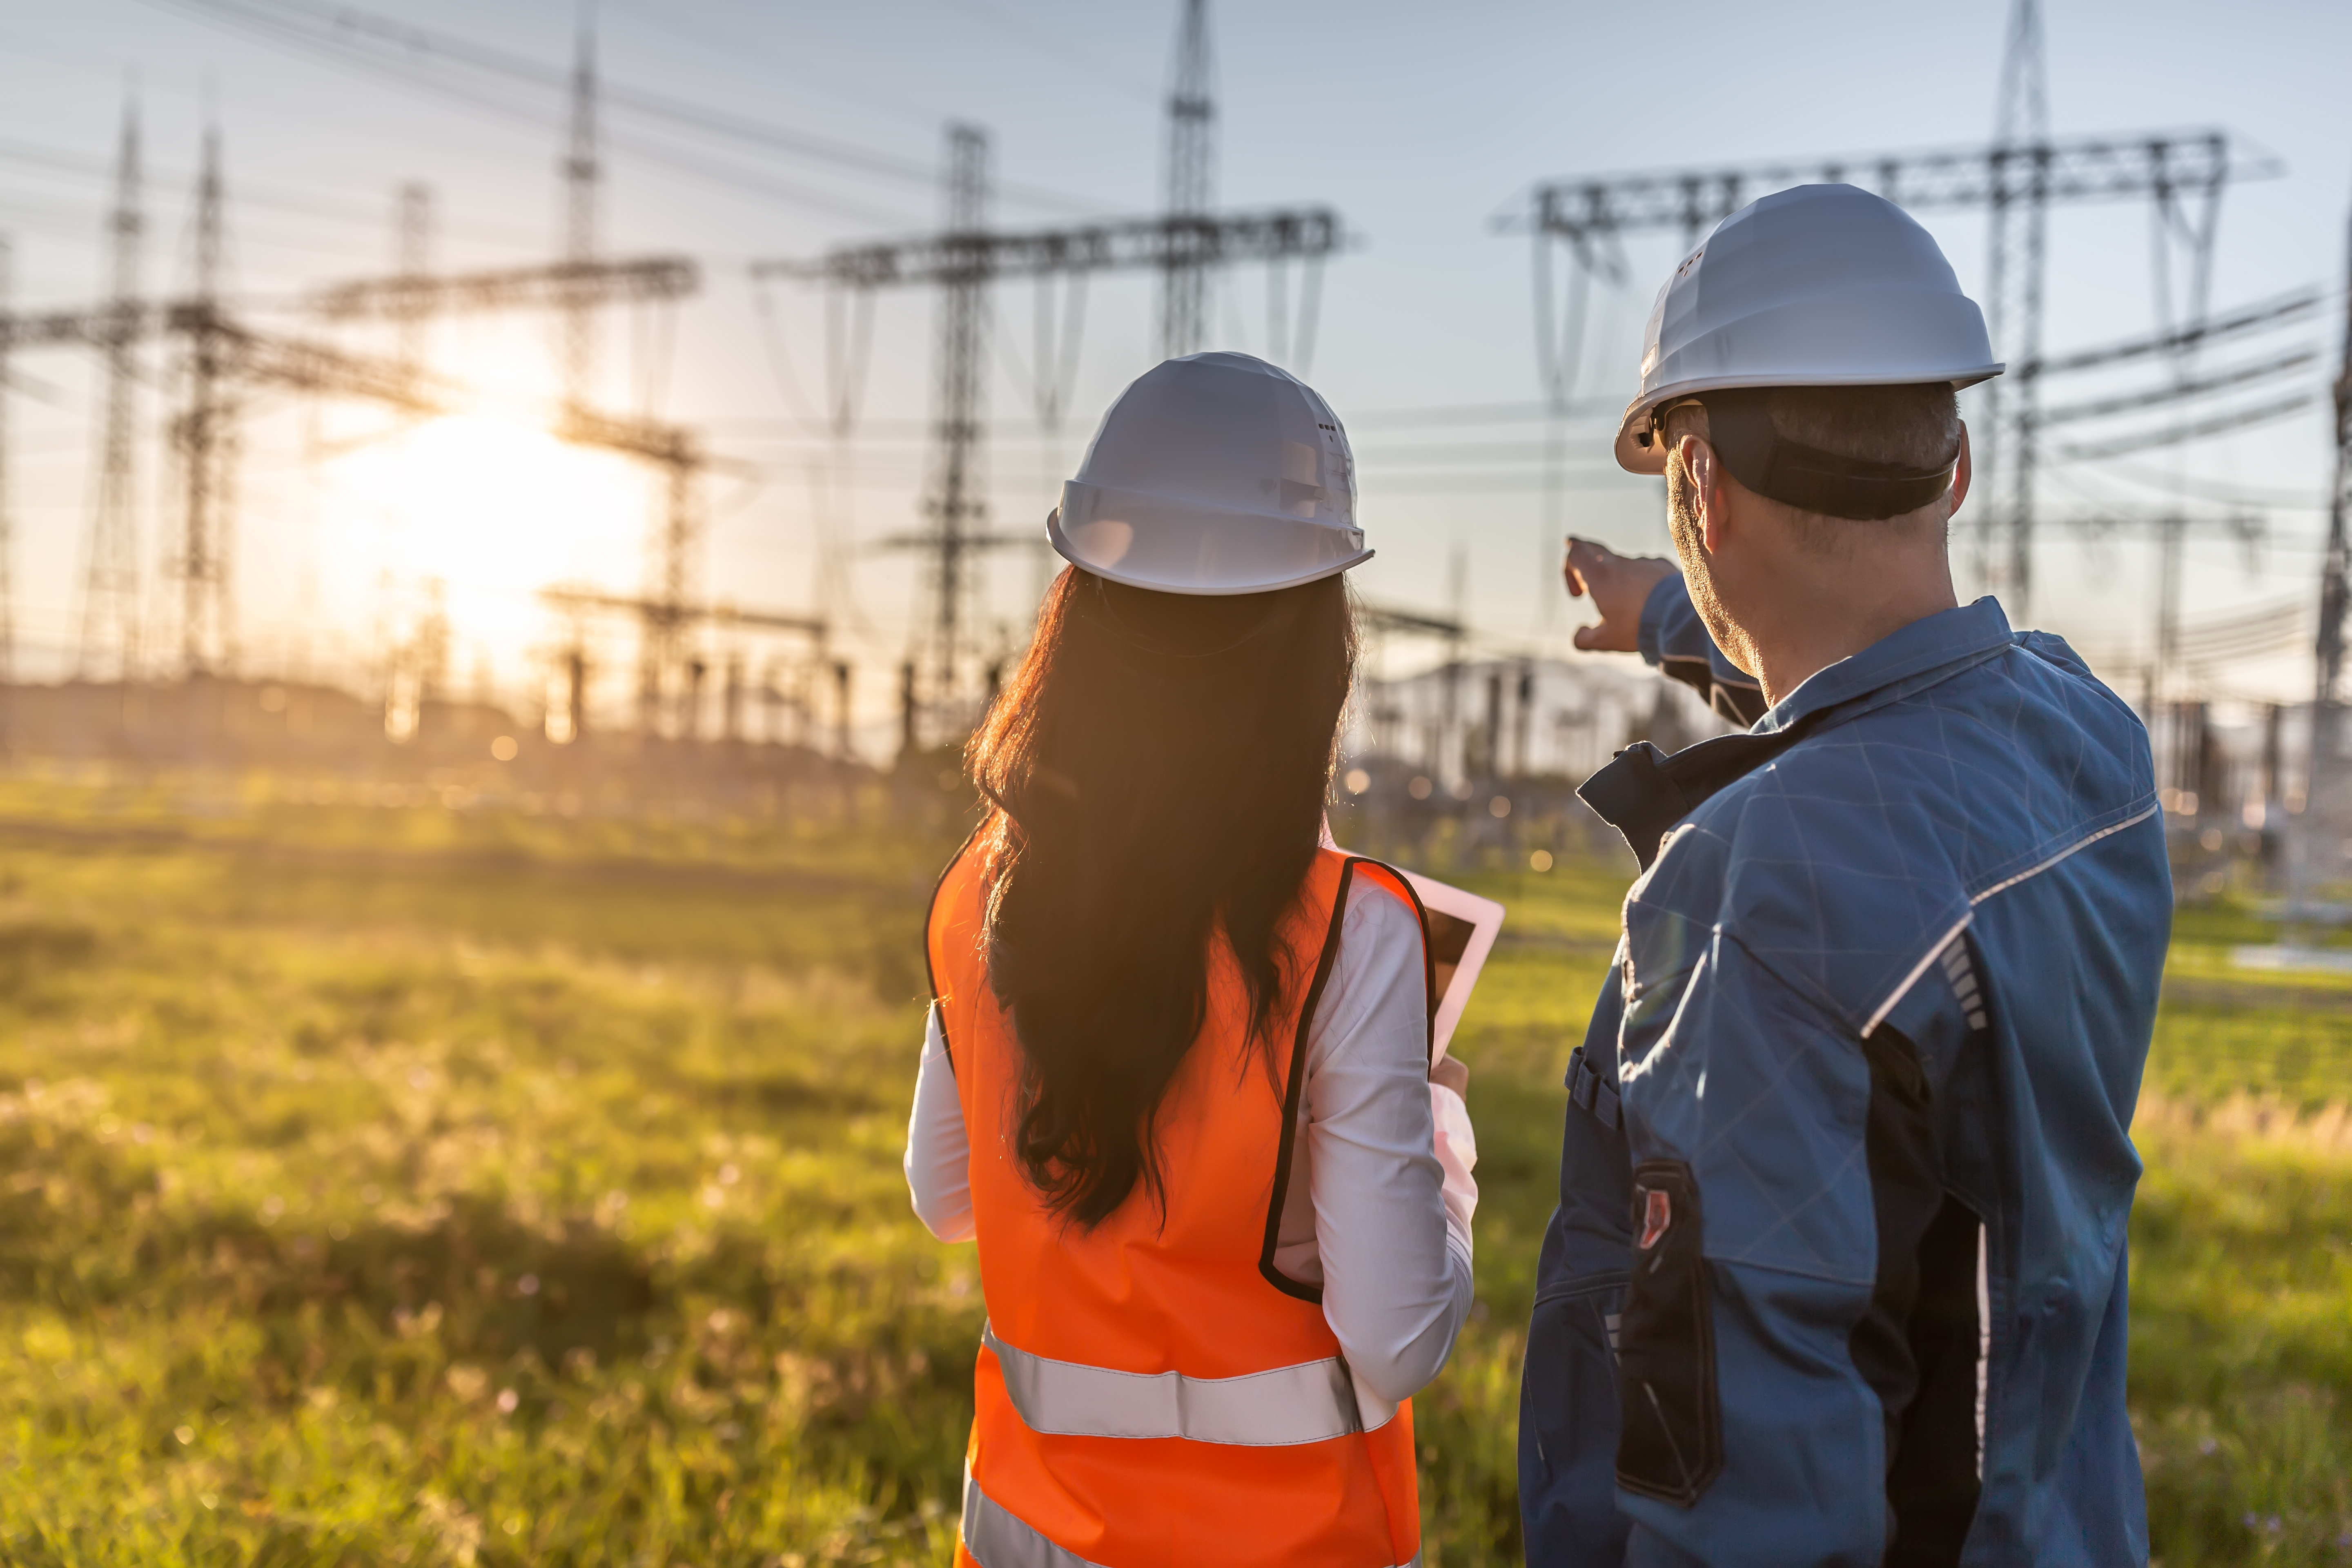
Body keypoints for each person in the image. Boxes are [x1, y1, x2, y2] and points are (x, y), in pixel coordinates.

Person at [1517, 184, 2170, 1566]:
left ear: (1698, 487)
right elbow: (1890, 697)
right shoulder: (2084, 745)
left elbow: (1744, 1476)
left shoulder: (1750, 892)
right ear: (1958, 468)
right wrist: (1677, 615)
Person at [904, 351, 1478, 1568]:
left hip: (1025, 1538)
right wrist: (1442, 1140)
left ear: (1082, 606)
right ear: (1314, 640)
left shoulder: (980, 892)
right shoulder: (1351, 935)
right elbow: (1399, 1338)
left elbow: (947, 1198)